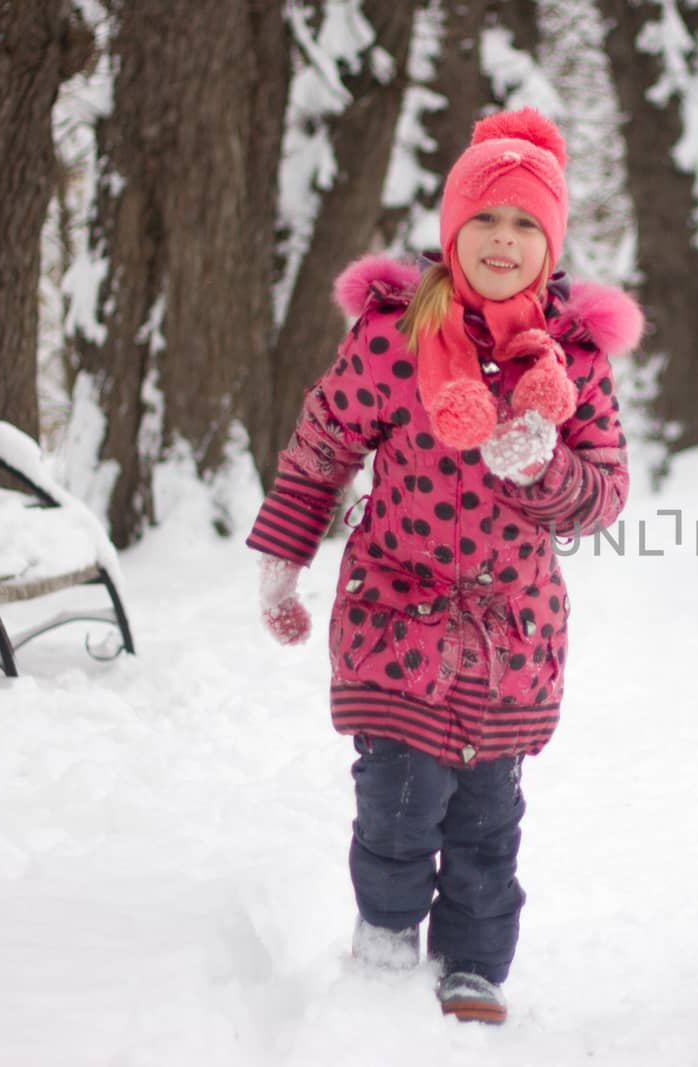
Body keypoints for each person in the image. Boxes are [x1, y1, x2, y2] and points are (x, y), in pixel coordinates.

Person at [245, 108, 643, 1025]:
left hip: (514, 629)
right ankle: (385, 948)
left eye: (525, 225)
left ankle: (473, 964)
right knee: (396, 804)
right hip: (395, 610)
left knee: (485, 823)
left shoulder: (573, 359)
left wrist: (545, 469)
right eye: (486, 220)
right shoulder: (392, 337)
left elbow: (606, 493)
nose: (503, 240)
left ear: (549, 245)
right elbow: (320, 450)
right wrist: (282, 558)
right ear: (452, 229)